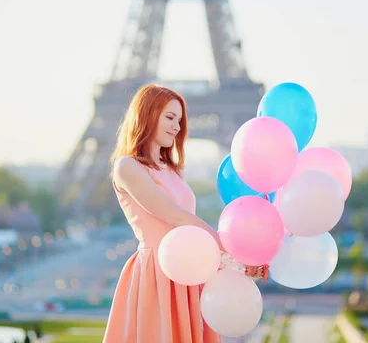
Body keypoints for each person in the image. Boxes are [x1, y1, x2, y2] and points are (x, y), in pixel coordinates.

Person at [103, 84, 269, 343]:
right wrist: (232, 249)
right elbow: (177, 217)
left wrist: (241, 264)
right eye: (169, 118)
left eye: (179, 120)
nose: (177, 127)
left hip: (190, 271)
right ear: (146, 115)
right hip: (158, 272)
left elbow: (191, 233)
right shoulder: (128, 167)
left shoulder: (173, 171)